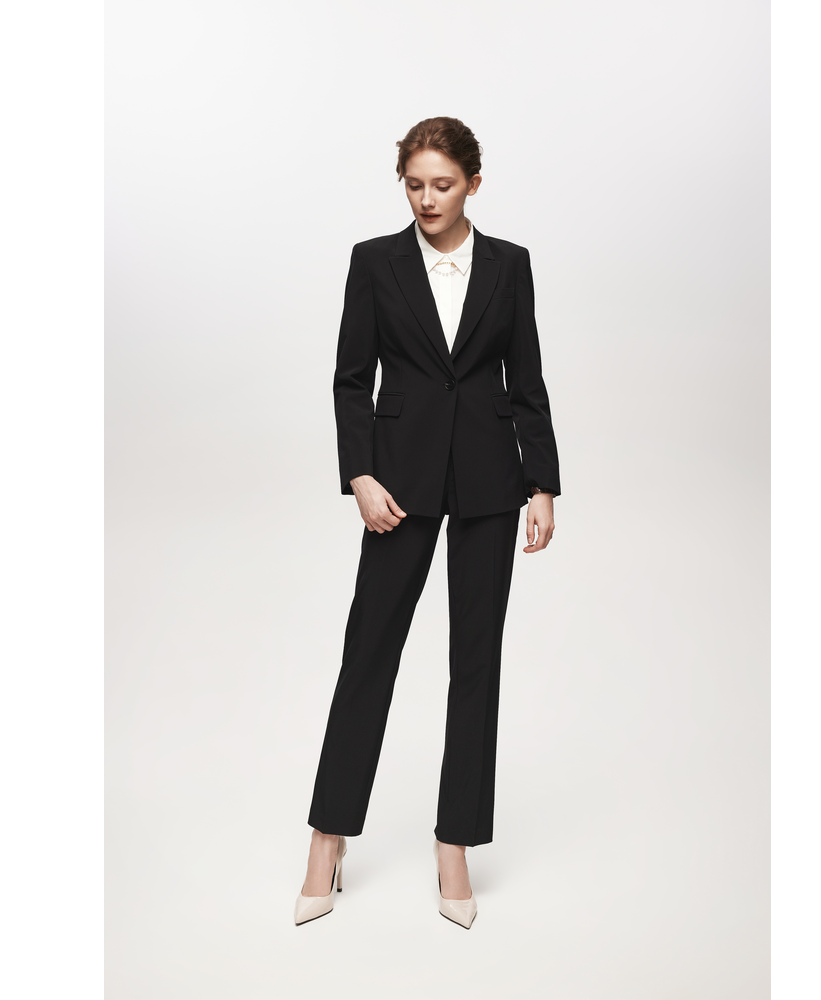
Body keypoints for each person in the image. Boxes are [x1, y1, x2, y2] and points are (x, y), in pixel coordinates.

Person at [295, 117, 561, 929]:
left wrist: (542, 483)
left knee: (476, 664)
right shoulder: (373, 262)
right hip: (397, 483)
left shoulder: (510, 265)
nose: (427, 199)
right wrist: (360, 473)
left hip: (490, 480)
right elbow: (350, 379)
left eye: (443, 184)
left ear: (473, 183)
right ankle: (327, 839)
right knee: (369, 654)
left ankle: (455, 845)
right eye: (414, 184)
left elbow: (526, 379)